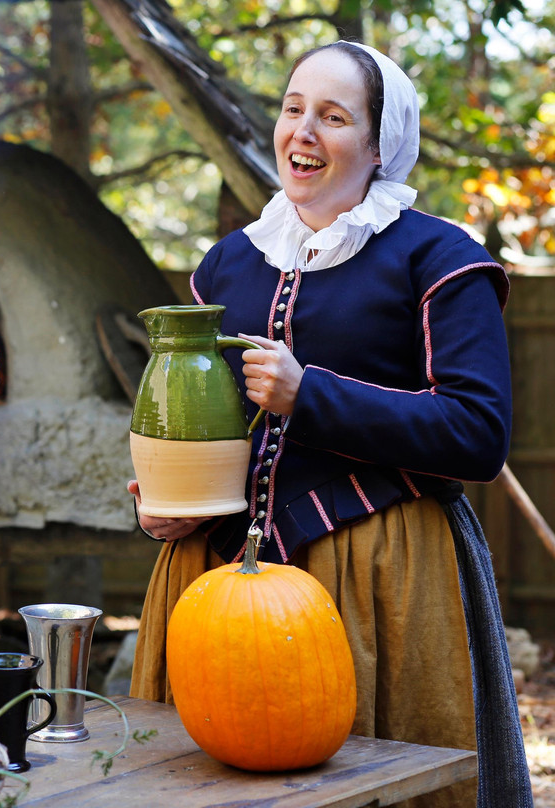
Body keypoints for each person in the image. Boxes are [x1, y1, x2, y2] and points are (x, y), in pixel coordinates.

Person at [127, 41, 533, 808]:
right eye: (293, 109)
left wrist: (309, 394)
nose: (303, 131)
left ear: (380, 146)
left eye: (334, 117)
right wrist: (158, 503)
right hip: (213, 583)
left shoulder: (439, 259)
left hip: (380, 574)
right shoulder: (227, 265)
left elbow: (478, 434)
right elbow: (190, 425)